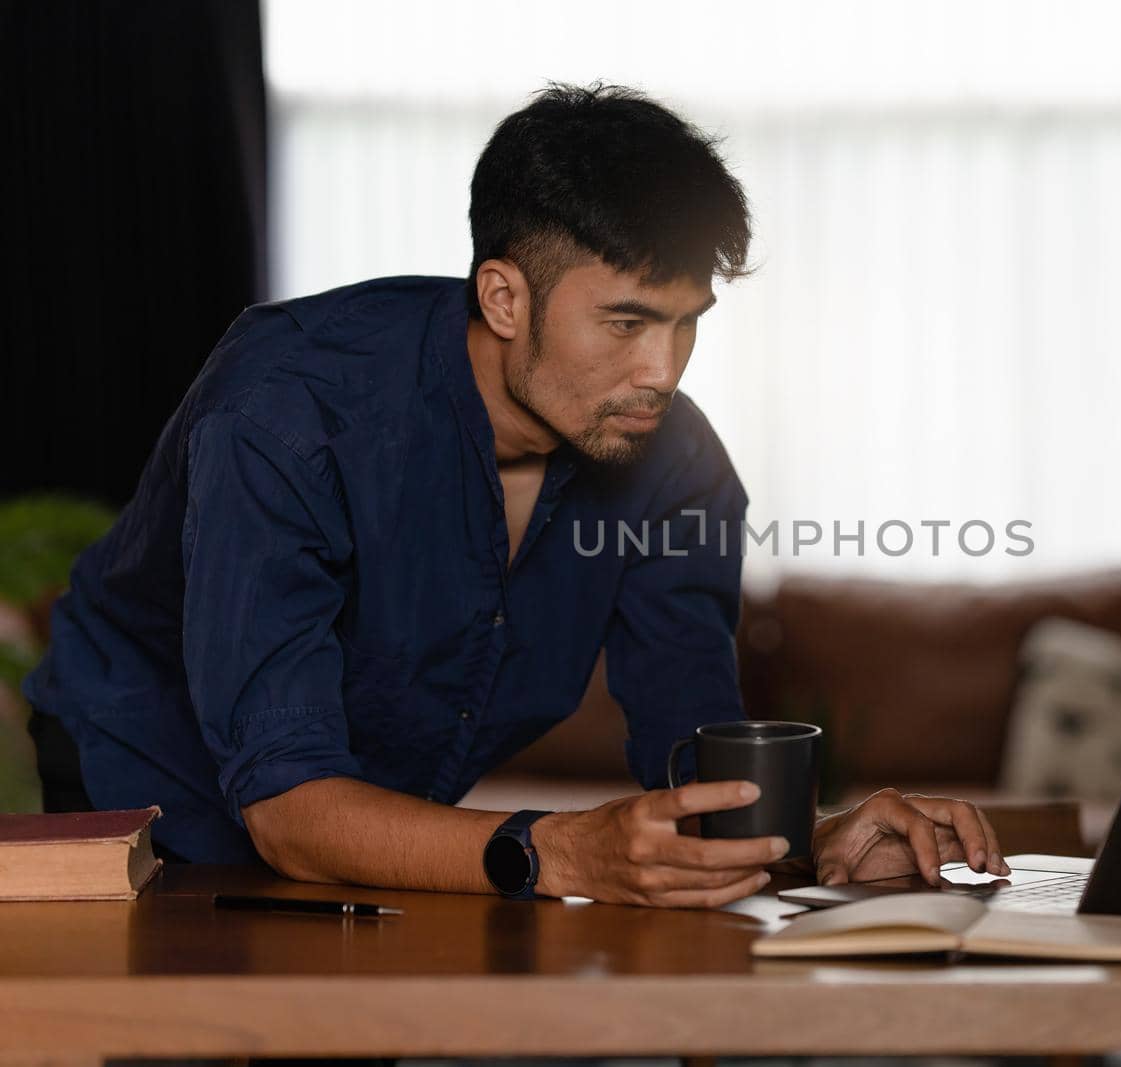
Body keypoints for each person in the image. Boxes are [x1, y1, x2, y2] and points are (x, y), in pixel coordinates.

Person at [23, 84, 1009, 906]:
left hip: (374, 811)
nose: (661, 370)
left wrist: (819, 837)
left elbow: (691, 758)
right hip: (140, 786)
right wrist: (563, 847)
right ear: (503, 297)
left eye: (684, 322)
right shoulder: (286, 410)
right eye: (624, 321)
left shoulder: (678, 466)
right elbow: (289, 809)